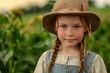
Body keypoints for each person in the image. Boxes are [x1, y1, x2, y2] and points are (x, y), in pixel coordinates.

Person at [34, 0, 107, 73]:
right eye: (63, 26)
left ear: (86, 27)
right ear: (56, 27)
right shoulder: (46, 59)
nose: (70, 33)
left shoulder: (94, 62)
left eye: (76, 26)